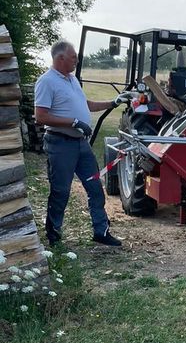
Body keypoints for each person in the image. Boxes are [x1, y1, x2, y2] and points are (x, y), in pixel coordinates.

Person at [34, 40, 123, 247]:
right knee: (61, 191)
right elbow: (40, 116)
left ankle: (101, 231)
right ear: (60, 58)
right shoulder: (46, 82)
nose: (77, 60)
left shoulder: (72, 80)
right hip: (60, 144)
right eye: (73, 57)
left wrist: (113, 102)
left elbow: (86, 105)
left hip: (80, 145)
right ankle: (54, 235)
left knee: (95, 187)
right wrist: (73, 122)